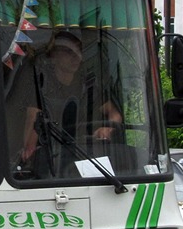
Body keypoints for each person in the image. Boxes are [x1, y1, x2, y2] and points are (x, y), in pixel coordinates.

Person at [14, 31, 122, 174]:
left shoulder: (88, 85)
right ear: (53, 56)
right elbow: (34, 122)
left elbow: (115, 116)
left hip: (85, 157)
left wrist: (107, 128)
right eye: (68, 52)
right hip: (50, 159)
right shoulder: (42, 85)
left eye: (78, 51)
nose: (76, 56)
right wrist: (29, 153)